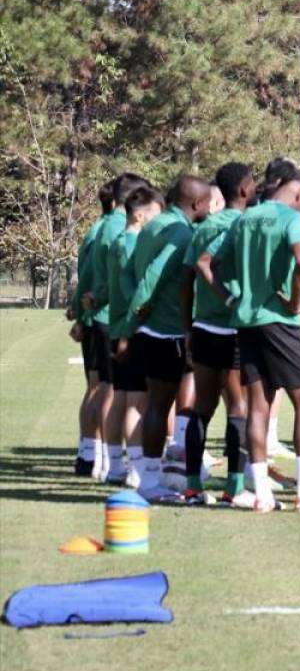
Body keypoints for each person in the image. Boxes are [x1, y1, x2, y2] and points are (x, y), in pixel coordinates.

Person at [214, 166, 300, 513]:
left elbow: (214, 264)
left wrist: (232, 299)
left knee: (258, 404)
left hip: (247, 321)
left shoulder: (244, 219)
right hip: (280, 321)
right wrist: (295, 301)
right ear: (298, 194)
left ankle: (261, 494)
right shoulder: (292, 219)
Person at [123, 174, 211, 502]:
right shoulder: (181, 232)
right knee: (159, 406)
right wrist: (132, 323)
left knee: (157, 405)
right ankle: (150, 480)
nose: (210, 209)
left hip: (153, 328)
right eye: (208, 203)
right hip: (167, 330)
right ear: (197, 203)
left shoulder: (153, 225)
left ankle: (153, 475)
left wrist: (135, 321)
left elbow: (128, 272)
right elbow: (153, 277)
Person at [184, 163, 256, 506]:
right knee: (239, 407)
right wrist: (230, 298)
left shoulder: (204, 226)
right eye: (252, 183)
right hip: (234, 327)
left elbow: (187, 279)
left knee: (202, 406)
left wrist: (187, 327)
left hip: (203, 326)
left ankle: (192, 485)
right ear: (243, 189)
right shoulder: (246, 225)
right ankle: (234, 487)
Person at [82, 173, 150, 475]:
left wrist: (87, 304)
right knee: (118, 394)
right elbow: (125, 283)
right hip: (118, 321)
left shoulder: (108, 228)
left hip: (107, 316)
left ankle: (101, 460)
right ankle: (118, 464)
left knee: (109, 390)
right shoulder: (120, 233)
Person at [104, 186, 164, 488]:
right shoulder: (130, 244)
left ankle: (116, 464)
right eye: (154, 214)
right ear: (140, 215)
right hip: (130, 328)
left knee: (122, 398)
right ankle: (136, 468)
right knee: (136, 402)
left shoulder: (118, 241)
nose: (157, 221)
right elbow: (133, 293)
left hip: (118, 326)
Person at [68, 181, 115, 478]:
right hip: (103, 316)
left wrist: (78, 312)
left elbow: (84, 274)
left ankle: (87, 454)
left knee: (95, 387)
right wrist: (81, 312)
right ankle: (103, 458)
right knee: (105, 388)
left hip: (92, 315)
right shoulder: (107, 230)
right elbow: (88, 276)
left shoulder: (96, 229)